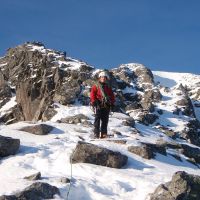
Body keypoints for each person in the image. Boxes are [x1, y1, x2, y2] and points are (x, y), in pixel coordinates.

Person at [90, 71, 115, 138]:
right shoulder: (96, 86)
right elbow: (92, 94)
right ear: (99, 78)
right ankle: (96, 134)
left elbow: (112, 95)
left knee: (105, 120)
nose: (103, 78)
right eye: (102, 77)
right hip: (98, 103)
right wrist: (94, 101)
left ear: (106, 79)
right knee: (97, 119)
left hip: (106, 104)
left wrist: (112, 104)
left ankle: (104, 134)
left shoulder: (108, 87)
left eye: (104, 77)